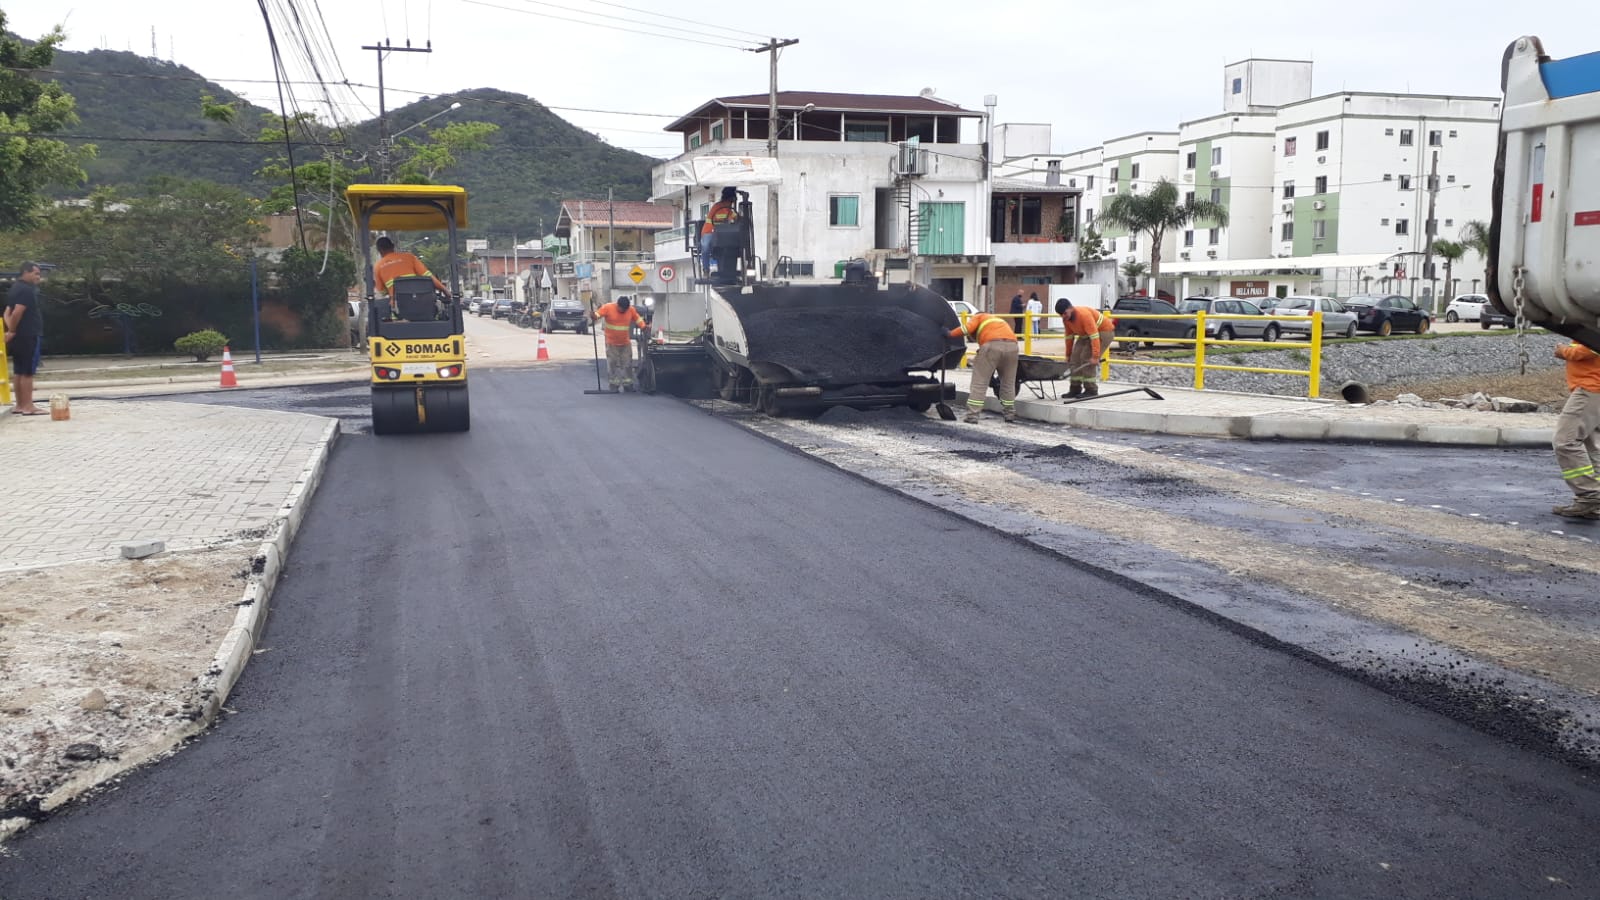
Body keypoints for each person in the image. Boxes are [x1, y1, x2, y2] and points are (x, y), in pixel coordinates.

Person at [1551, 338, 1600, 519]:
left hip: (1590, 389)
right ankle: (1594, 500)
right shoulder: (1588, 326)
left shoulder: (1593, 327)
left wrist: (1563, 350)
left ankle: (1589, 496)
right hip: (1593, 390)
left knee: (1565, 441)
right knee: (1592, 446)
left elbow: (1588, 349)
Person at [949, 310, 1019, 423]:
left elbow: (966, 329)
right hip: (1013, 347)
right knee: (1008, 383)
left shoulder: (978, 317)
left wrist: (949, 334)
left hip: (992, 346)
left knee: (979, 383)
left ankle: (973, 415)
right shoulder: (997, 320)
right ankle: (1010, 413)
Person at [4, 262, 46, 415]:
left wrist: (10, 331)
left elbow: (7, 313)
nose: (38, 277)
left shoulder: (15, 288)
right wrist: (13, 330)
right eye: (36, 274)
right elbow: (17, 312)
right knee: (28, 371)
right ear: (26, 273)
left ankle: (19, 405)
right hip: (28, 334)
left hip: (18, 336)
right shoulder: (27, 290)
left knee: (19, 370)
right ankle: (28, 406)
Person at [1058, 298, 1115, 399]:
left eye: (1065, 313)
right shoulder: (1066, 320)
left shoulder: (1084, 315)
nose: (1063, 316)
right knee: (1074, 358)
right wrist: (1068, 355)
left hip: (1103, 332)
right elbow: (1069, 337)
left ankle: (1091, 390)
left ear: (1070, 308)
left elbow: (1094, 336)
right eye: (1061, 315)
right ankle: (1075, 388)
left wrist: (1095, 356)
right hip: (1086, 334)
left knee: (1086, 358)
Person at [593, 295, 648, 392]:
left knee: (627, 364)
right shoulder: (608, 307)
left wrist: (644, 326)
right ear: (617, 304)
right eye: (621, 308)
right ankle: (614, 385)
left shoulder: (630, 310)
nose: (622, 311)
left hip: (625, 343)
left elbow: (638, 319)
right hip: (611, 342)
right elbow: (598, 314)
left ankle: (628, 384)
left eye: (624, 309)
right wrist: (594, 316)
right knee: (613, 364)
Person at [373, 236, 447, 298]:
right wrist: (445, 290)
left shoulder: (378, 266)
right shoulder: (409, 257)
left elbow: (381, 291)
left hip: (398, 308)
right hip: (420, 301)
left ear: (379, 250)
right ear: (393, 246)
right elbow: (428, 276)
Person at [700, 187, 739, 277]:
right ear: (728, 198)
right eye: (731, 201)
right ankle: (706, 269)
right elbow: (715, 220)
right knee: (705, 247)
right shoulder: (717, 207)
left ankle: (729, 267)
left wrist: (740, 218)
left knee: (732, 246)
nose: (731, 203)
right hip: (709, 231)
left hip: (722, 233)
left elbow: (735, 217)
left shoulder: (729, 210)